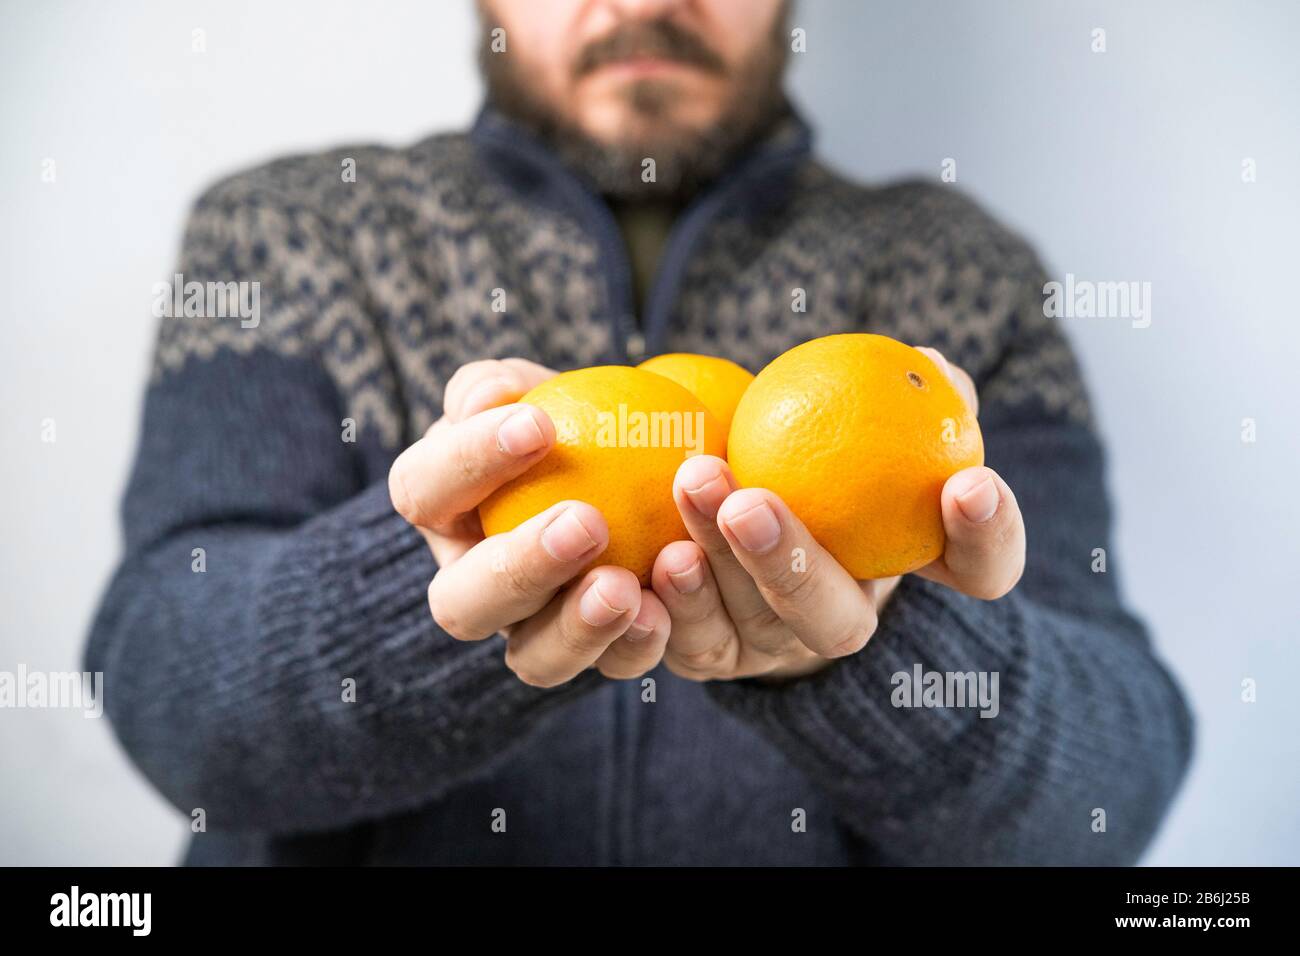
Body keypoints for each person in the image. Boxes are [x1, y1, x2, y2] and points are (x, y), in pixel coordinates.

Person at [87, 0, 1192, 865]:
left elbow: (1113, 792)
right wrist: (457, 592)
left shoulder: (958, 273)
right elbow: (167, 688)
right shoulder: (292, 233)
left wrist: (880, 636)